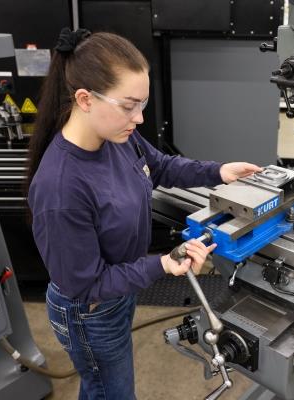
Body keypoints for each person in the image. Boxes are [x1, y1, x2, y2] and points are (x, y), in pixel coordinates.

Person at [26, 28, 262, 400]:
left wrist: (218, 172)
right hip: (89, 310)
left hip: (120, 291)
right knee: (112, 393)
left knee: (104, 389)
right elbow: (85, 285)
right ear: (85, 99)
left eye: (142, 105)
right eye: (128, 105)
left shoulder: (118, 137)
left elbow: (161, 166)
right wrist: (162, 265)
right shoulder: (61, 188)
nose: (138, 118)